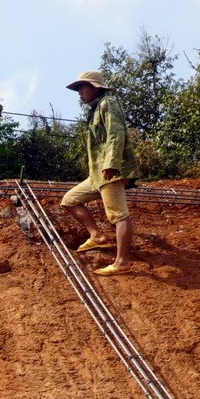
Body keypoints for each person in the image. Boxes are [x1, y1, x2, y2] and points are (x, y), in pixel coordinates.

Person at [59, 69, 140, 276]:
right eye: (78, 88)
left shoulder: (108, 103)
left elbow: (116, 133)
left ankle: (122, 262)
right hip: (98, 174)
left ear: (95, 87)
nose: (79, 92)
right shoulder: (94, 109)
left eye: (82, 87)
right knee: (70, 200)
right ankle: (97, 236)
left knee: (119, 214)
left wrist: (112, 163)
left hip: (110, 171)